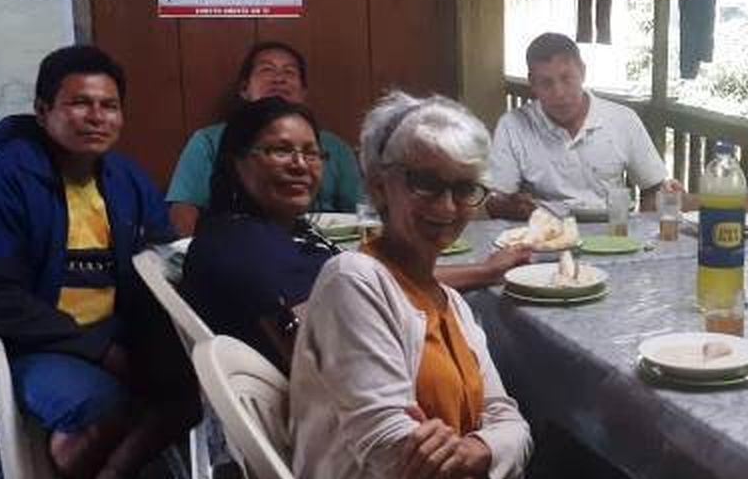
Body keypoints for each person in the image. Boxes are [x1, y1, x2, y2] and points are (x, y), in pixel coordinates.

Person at [289, 91, 718, 479]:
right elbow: (398, 458)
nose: (447, 205)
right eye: (424, 182)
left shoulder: (448, 302)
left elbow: (510, 423)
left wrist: (475, 447)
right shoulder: (354, 282)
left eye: (465, 188)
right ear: (379, 181)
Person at [0, 45, 201, 479]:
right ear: (43, 111)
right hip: (15, 346)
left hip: (110, 333)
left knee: (193, 389)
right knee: (101, 403)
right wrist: (100, 348)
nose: (97, 117)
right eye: (81, 104)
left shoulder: (124, 179)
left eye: (109, 105)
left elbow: (160, 256)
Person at [180, 98, 531, 370]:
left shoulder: (252, 230)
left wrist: (485, 271)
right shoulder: (253, 255)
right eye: (280, 150)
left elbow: (380, 283)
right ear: (235, 161)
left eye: (311, 152)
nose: (300, 165)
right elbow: (326, 364)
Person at [165, 41, 361, 236]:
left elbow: (361, 211)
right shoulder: (208, 140)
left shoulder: (335, 147)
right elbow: (184, 211)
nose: (279, 79)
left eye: (289, 72)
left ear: (303, 93)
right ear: (244, 89)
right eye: (267, 70)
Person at [485, 33, 671, 220]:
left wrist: (661, 208)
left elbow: (653, 188)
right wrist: (514, 207)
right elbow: (495, 201)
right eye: (546, 83)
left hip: (613, 233)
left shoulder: (623, 120)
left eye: (567, 79)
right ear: (533, 84)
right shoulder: (512, 125)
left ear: (582, 72)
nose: (559, 92)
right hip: (542, 235)